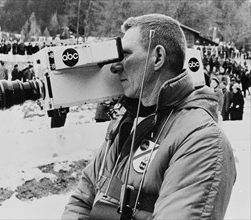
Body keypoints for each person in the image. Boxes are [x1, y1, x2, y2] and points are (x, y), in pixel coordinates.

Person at [61, 14, 236, 220]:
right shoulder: (126, 122)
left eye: (125, 55)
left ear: (158, 58)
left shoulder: (202, 140)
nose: (115, 67)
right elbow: (82, 199)